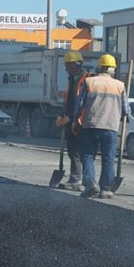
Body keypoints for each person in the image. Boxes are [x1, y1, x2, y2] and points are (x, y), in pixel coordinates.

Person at [74, 53, 129, 200]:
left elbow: (79, 105)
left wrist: (75, 121)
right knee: (108, 158)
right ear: (112, 69)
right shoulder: (120, 85)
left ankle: (90, 183)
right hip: (110, 127)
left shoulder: (89, 82)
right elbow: (126, 110)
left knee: (87, 156)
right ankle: (105, 189)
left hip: (90, 125)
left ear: (100, 67)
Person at [53, 50, 91, 190]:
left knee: (80, 152)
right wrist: (62, 114)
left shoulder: (86, 79)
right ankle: (76, 178)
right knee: (72, 151)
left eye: (68, 66)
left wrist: (75, 119)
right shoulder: (72, 80)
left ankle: (79, 179)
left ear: (76, 65)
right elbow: (69, 101)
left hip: (81, 123)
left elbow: (83, 103)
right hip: (71, 121)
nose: (66, 69)